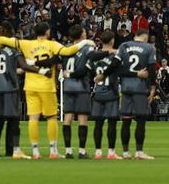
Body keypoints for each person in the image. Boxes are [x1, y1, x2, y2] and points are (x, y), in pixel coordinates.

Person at [0, 22, 91, 159]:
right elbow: (68, 51)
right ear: (48, 32)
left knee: (33, 118)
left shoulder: (27, 44)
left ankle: (35, 152)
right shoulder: (52, 44)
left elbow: (6, 40)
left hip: (30, 86)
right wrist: (84, 43)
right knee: (51, 118)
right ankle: (53, 151)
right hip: (46, 86)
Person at [0, 22, 38, 159]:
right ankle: (14, 150)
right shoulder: (14, 48)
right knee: (13, 120)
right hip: (10, 88)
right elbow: (23, 65)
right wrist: (40, 69)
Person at [115, 26, 158, 160]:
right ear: (145, 36)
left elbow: (117, 68)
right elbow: (151, 70)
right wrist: (152, 87)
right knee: (140, 121)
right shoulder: (149, 48)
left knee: (126, 120)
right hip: (140, 88)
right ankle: (139, 152)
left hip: (126, 88)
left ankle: (125, 152)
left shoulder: (123, 45)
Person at [58, 25, 95, 159]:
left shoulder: (66, 48)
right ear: (81, 35)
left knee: (67, 118)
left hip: (68, 87)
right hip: (81, 87)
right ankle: (81, 151)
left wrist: (68, 75)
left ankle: (68, 151)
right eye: (85, 32)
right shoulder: (87, 48)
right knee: (82, 119)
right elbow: (85, 70)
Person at [86, 30, 123, 159]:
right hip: (111, 92)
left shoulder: (95, 55)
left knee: (98, 123)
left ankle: (98, 152)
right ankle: (111, 153)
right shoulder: (116, 55)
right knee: (112, 123)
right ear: (112, 40)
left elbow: (89, 68)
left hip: (98, 93)